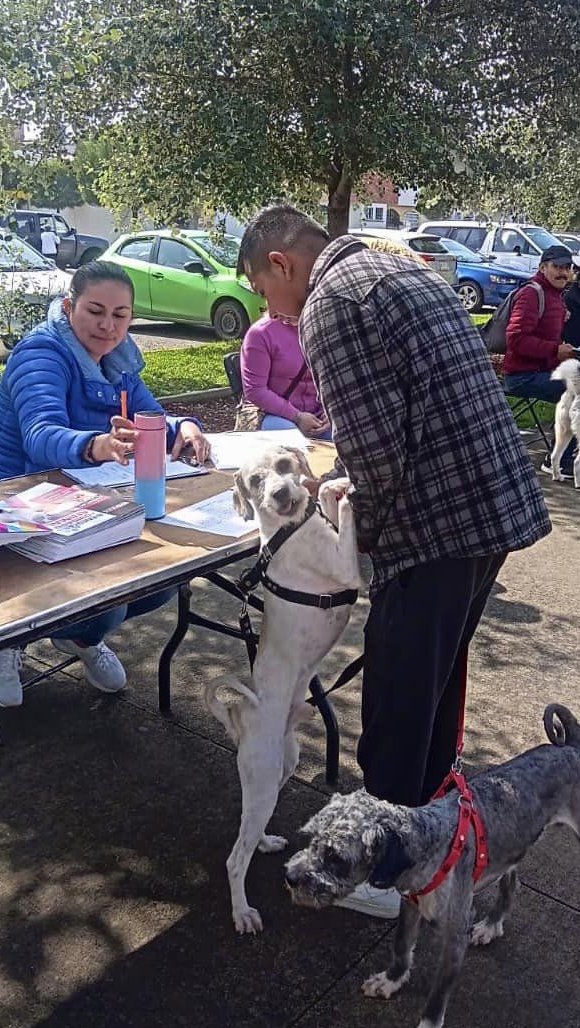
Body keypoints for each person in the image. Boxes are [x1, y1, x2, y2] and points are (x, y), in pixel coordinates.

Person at [237, 205, 550, 919]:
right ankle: (429, 844)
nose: (269, 309)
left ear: (281, 265)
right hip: (489, 510)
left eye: (262, 291)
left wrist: (352, 541)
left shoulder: (329, 303)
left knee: (397, 703)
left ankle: (382, 874)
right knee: (432, 691)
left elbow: (374, 451)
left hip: (436, 525)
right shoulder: (398, 269)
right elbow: (403, 415)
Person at [0, 260, 209, 708]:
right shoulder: (40, 354)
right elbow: (40, 436)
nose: (107, 326)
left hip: (76, 507)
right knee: (107, 603)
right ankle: (5, 640)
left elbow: (150, 415)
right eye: (95, 311)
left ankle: (79, 638)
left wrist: (185, 426)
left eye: (120, 315)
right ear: (68, 306)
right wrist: (96, 445)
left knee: (162, 582)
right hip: (7, 508)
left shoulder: (119, 362)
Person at [504, 244, 577, 479]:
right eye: (557, 267)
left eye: (567, 268)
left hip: (541, 370)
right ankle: (558, 460)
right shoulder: (531, 294)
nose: (563, 273)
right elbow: (516, 339)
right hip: (521, 376)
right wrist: (555, 351)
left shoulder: (555, 294)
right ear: (543, 267)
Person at [239, 312, 331, 438]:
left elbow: (334, 377)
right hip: (267, 413)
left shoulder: (325, 326)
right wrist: (297, 417)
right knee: (291, 438)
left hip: (317, 415)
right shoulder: (260, 333)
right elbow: (255, 391)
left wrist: (331, 409)